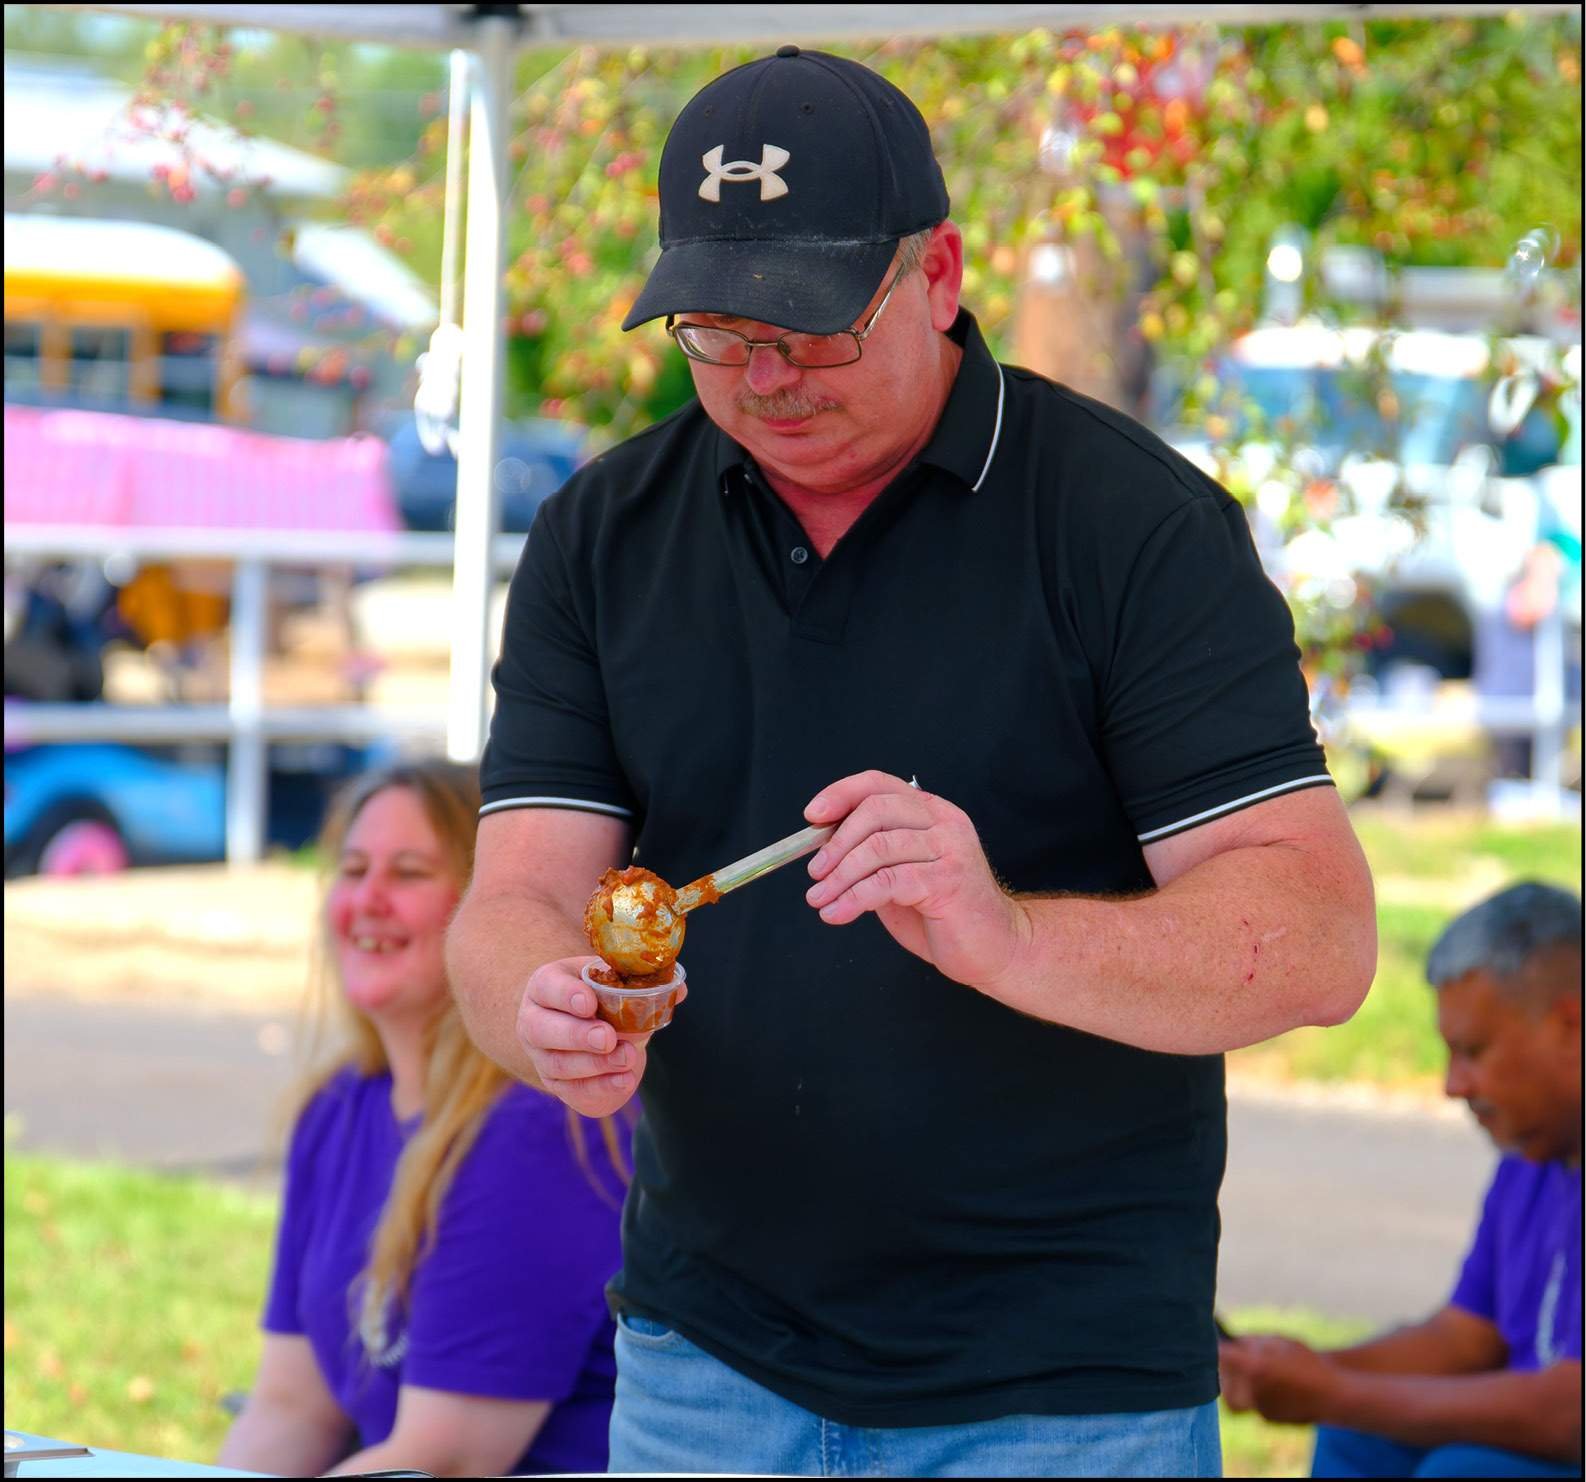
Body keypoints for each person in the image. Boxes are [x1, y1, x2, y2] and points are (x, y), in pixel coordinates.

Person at [447, 46, 1377, 1478]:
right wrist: (541, 1006)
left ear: (936, 274)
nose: (764, 378)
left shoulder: (1130, 526)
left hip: (1058, 1397)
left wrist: (1005, 935)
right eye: (713, 331)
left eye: (810, 326)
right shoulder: (601, 535)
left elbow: (1316, 940)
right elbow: (510, 900)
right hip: (705, 1365)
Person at [218, 760, 630, 1478]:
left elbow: (441, 1461)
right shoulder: (338, 1107)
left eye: (408, 873)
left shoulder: (536, 1128)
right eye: (352, 870)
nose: (367, 900)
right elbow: (291, 1410)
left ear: (486, 915)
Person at [1220, 881, 1582, 1478]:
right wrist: (1307, 1371)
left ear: (1570, 1023)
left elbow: (1570, 1414)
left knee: (1462, 1473)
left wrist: (1335, 1392)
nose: (1453, 1086)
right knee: (1356, 1440)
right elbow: (1465, 1339)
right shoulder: (1529, 1156)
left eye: (1473, 1051)